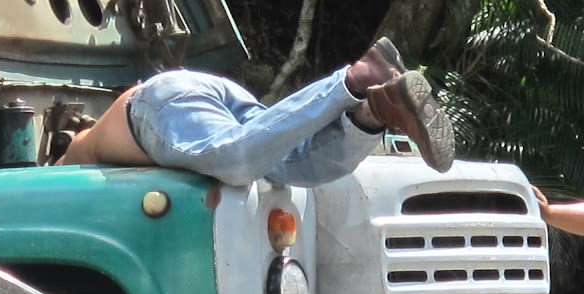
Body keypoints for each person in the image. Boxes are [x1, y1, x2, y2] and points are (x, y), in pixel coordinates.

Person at [58, 37, 455, 187]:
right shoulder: (87, 141)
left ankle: (354, 79)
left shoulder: (64, 164)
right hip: (196, 93)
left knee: (237, 163)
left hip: (155, 106)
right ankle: (373, 112)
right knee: (295, 166)